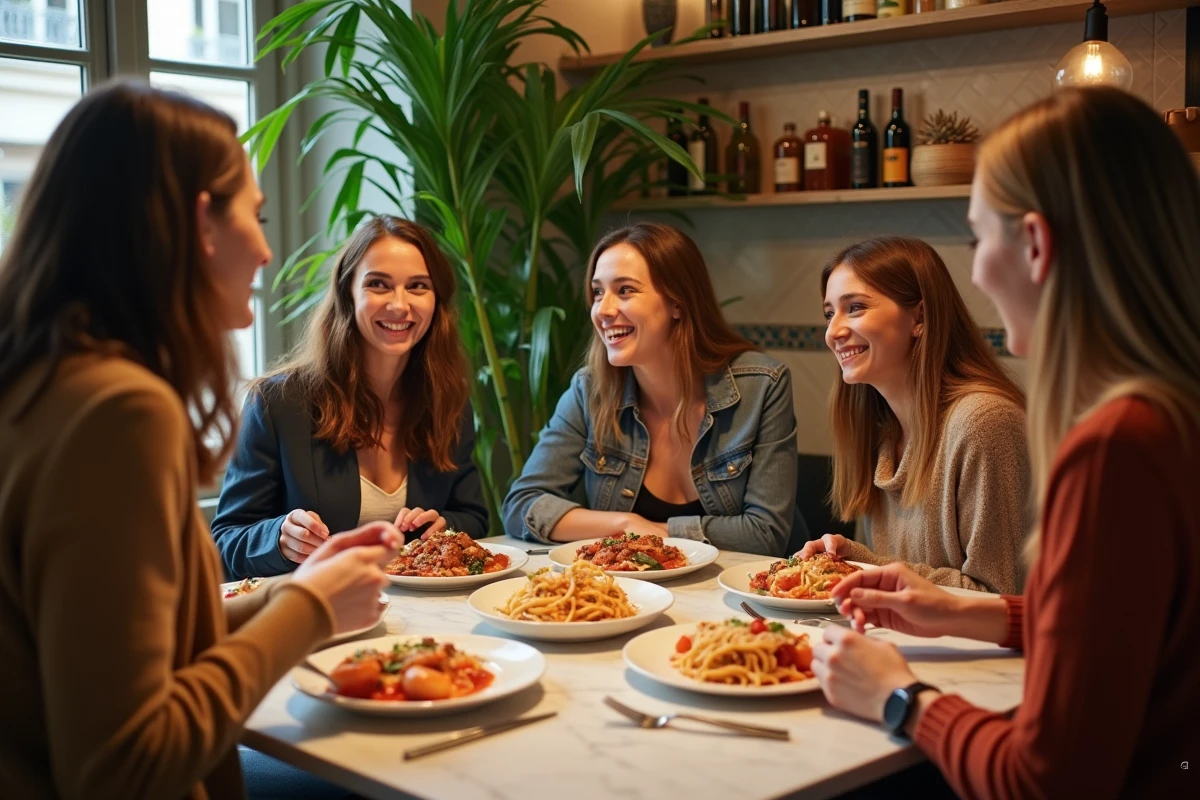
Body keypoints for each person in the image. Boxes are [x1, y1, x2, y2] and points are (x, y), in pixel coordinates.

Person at [0, 81, 399, 798]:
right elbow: (125, 764)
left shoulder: (40, 385)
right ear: (199, 225)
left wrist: (294, 594)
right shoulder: (117, 412)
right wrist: (310, 612)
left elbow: (122, 645)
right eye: (256, 214)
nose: (268, 250)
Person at [811, 88, 1198, 797]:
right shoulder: (1172, 413)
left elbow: (1050, 780)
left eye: (978, 238)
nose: (980, 272)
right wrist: (970, 611)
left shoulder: (1115, 447)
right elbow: (1117, 630)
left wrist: (900, 698)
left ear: (1037, 245)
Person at [502, 222, 803, 557]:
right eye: (598, 291)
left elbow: (765, 535)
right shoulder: (590, 390)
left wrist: (654, 534)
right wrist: (625, 525)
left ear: (678, 303)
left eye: (625, 290)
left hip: (749, 598)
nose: (603, 309)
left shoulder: (762, 385)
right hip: (631, 598)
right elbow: (521, 505)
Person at [212, 215, 488, 579]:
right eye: (379, 285)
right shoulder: (276, 402)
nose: (400, 305)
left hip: (418, 618)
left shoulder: (448, 401)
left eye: (418, 286)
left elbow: (474, 517)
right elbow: (226, 540)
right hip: (309, 618)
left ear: (437, 301)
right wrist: (277, 539)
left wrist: (444, 525)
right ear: (348, 293)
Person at [801, 236, 1030, 594]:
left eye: (856, 307)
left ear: (919, 317)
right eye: (829, 314)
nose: (834, 332)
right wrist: (854, 561)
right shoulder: (881, 430)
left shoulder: (985, 422)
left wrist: (871, 570)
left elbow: (1000, 598)